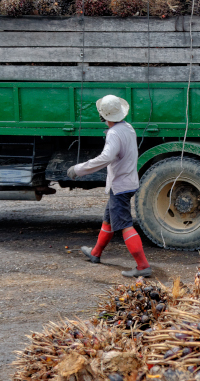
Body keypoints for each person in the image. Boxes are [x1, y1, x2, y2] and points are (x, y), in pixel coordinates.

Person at [67, 94, 151, 278]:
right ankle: (95, 253)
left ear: (103, 116)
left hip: (120, 185)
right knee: (108, 220)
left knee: (125, 225)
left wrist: (79, 169)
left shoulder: (114, 134)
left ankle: (143, 266)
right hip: (127, 182)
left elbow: (106, 158)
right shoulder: (128, 128)